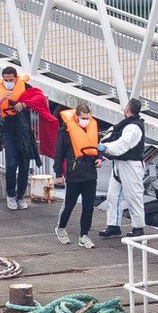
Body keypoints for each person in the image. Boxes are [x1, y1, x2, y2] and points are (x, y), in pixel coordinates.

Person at [0, 67, 57, 211]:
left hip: (24, 130)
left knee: (24, 165)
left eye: (11, 80)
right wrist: (2, 99)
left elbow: (38, 96)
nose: (8, 82)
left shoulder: (25, 86)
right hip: (8, 130)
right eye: (6, 80)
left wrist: (24, 104)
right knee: (11, 163)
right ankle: (10, 194)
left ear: (16, 77)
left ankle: (20, 196)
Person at [98, 98, 147, 239]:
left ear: (127, 110)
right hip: (120, 163)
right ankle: (113, 225)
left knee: (133, 196)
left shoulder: (133, 128)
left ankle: (138, 227)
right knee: (113, 196)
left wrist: (105, 147)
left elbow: (122, 145)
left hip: (130, 165)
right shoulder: (129, 125)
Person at [54, 104, 101, 249]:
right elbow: (59, 154)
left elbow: (95, 147)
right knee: (69, 204)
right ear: (76, 117)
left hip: (90, 173)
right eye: (83, 118)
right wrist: (58, 174)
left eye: (88, 118)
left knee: (88, 206)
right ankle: (61, 228)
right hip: (74, 174)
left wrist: (99, 158)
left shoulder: (92, 128)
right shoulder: (65, 132)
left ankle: (84, 235)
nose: (86, 120)